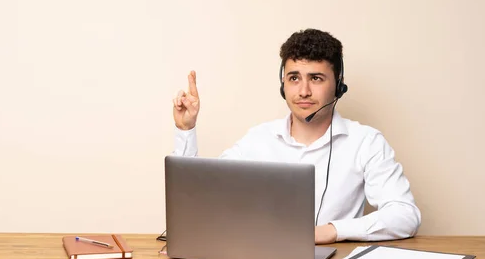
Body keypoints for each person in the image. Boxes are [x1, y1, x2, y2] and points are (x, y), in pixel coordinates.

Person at [171, 28, 421, 244]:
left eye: (316, 78)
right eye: (294, 78)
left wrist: (331, 231)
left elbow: (405, 215)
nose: (303, 91)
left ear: (339, 85)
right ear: (283, 84)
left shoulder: (366, 142)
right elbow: (200, 197)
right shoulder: (258, 138)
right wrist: (186, 130)